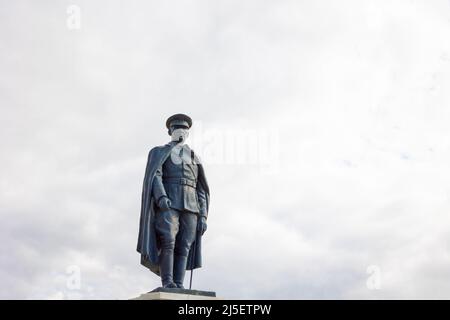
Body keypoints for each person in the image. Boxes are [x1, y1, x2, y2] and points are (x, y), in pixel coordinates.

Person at [136, 113, 210, 289]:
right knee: (168, 240)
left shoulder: (194, 157)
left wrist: (203, 215)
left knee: (185, 245)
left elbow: (201, 189)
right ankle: (167, 281)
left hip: (191, 206)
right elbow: (155, 175)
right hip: (169, 201)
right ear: (170, 131)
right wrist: (161, 196)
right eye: (178, 128)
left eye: (184, 129)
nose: (181, 131)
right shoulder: (159, 152)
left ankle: (178, 283)